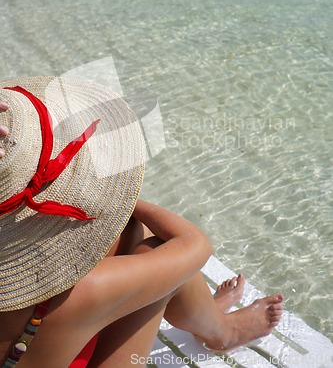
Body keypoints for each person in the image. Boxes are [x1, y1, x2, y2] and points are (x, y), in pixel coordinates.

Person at [0, 76, 283, 368]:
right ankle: (223, 331)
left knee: (126, 234)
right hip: (49, 325)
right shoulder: (85, 292)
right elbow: (194, 243)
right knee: (159, 253)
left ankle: (204, 312)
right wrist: (108, 196)